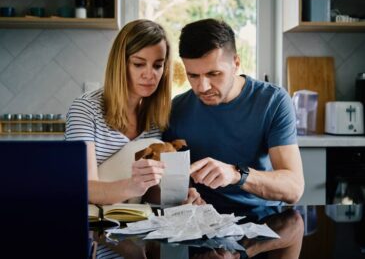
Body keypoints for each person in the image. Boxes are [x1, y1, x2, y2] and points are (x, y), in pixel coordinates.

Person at [163, 18, 304, 208]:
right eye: (193, 75)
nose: (203, 87)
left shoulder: (273, 101)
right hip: (201, 222)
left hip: (262, 220)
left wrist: (237, 174)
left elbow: (294, 189)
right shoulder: (177, 109)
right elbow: (172, 180)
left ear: (236, 63)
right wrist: (183, 194)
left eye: (214, 74)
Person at [65, 19, 203, 205]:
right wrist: (131, 186)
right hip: (93, 222)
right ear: (121, 64)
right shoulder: (85, 109)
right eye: (139, 64)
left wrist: (178, 197)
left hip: (134, 222)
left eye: (157, 65)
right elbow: (80, 188)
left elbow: (146, 192)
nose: (149, 74)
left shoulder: (155, 118)